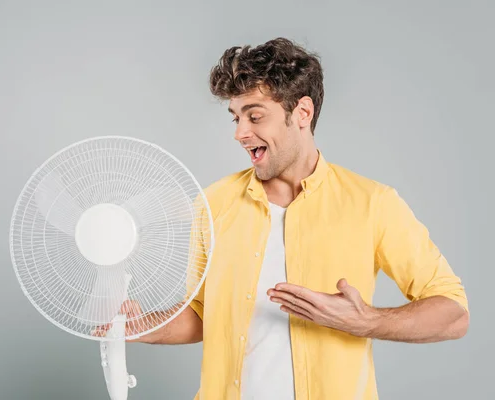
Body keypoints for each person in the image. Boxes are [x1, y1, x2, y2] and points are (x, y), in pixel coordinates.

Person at [95, 37, 470, 400]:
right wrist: (145, 327)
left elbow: (453, 314)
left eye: (255, 116)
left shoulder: (373, 203)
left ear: (302, 113)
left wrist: (366, 321)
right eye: (236, 118)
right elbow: (204, 315)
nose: (241, 133)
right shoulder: (213, 203)